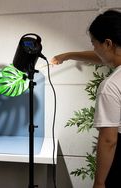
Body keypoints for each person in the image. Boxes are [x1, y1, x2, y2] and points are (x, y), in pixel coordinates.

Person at [51, 9, 121, 188]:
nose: (94, 49)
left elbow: (108, 140)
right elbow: (108, 57)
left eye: (94, 43)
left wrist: (99, 183)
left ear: (107, 43)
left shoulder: (111, 86)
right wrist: (67, 55)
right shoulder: (113, 55)